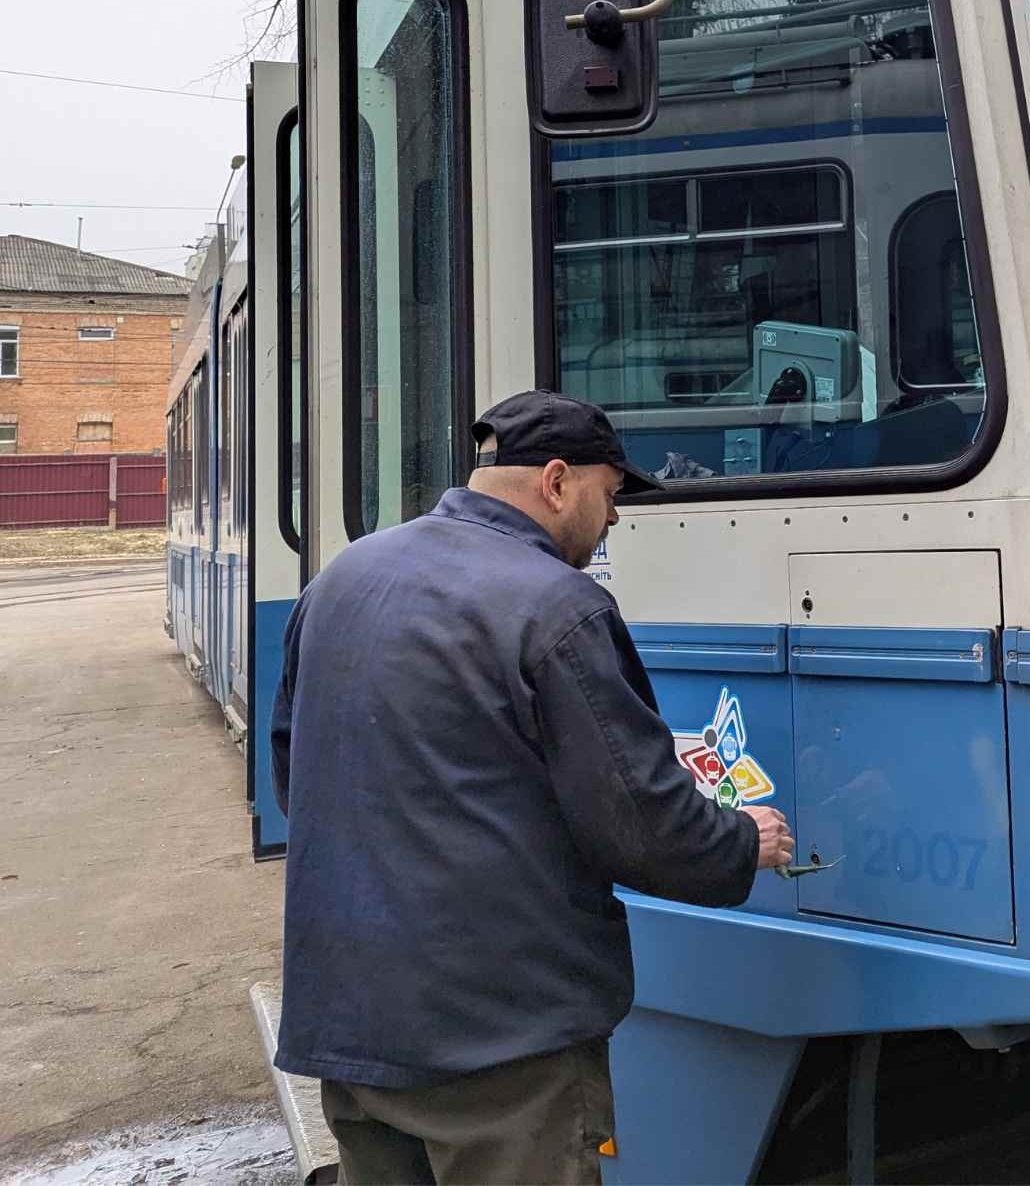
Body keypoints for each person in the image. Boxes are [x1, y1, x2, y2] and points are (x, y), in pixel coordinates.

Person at [270, 390, 795, 1184]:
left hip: (350, 1026)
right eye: (611, 495)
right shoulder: (558, 606)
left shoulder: (343, 577)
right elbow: (637, 820)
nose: (613, 521)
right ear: (557, 481)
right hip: (500, 1046)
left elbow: (295, 771)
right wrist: (738, 841)